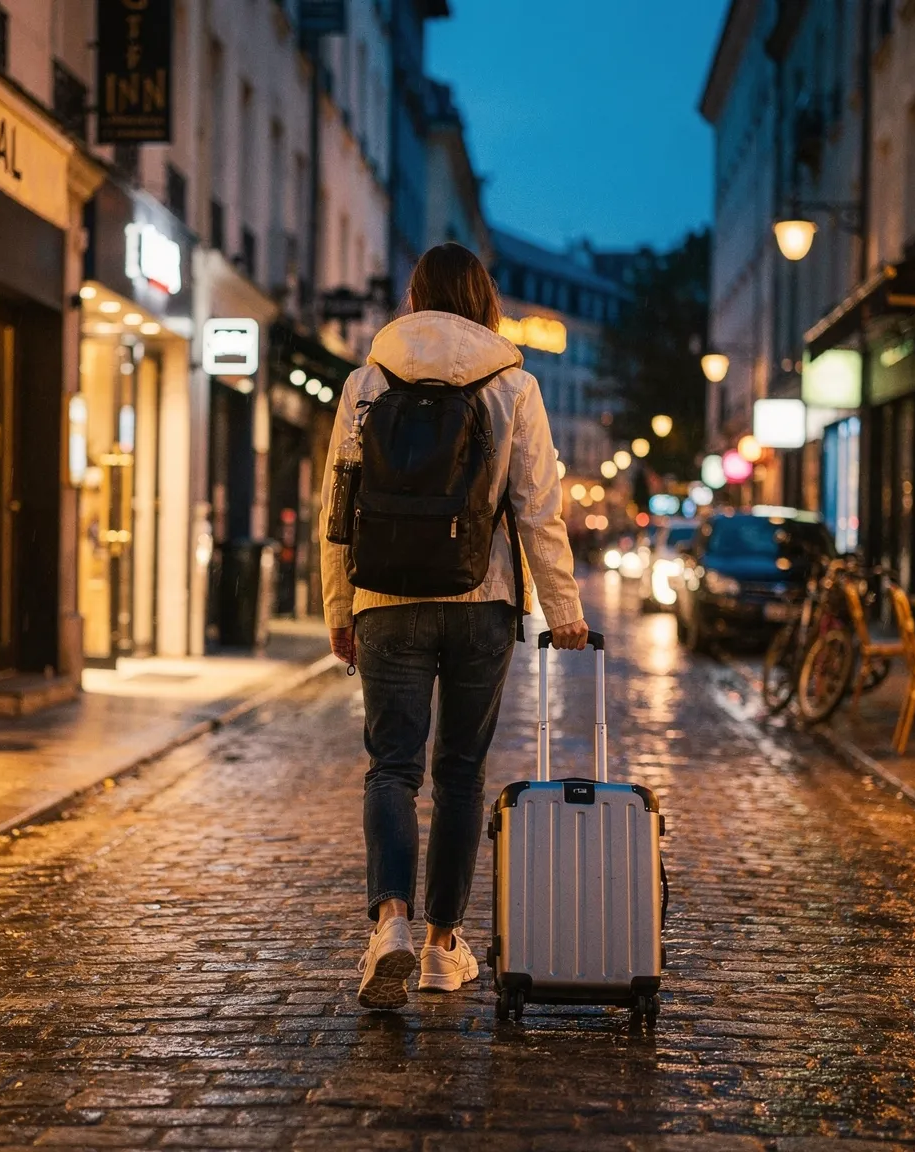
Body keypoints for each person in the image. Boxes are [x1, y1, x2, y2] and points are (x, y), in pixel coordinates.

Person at [320, 242, 587, 1012]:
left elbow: (338, 512)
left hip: (386, 601)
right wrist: (562, 613)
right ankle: (442, 948)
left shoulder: (366, 380)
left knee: (392, 768)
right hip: (484, 599)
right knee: (462, 773)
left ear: (413, 296)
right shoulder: (515, 384)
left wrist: (342, 607)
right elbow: (540, 508)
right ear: (485, 300)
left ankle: (390, 924)